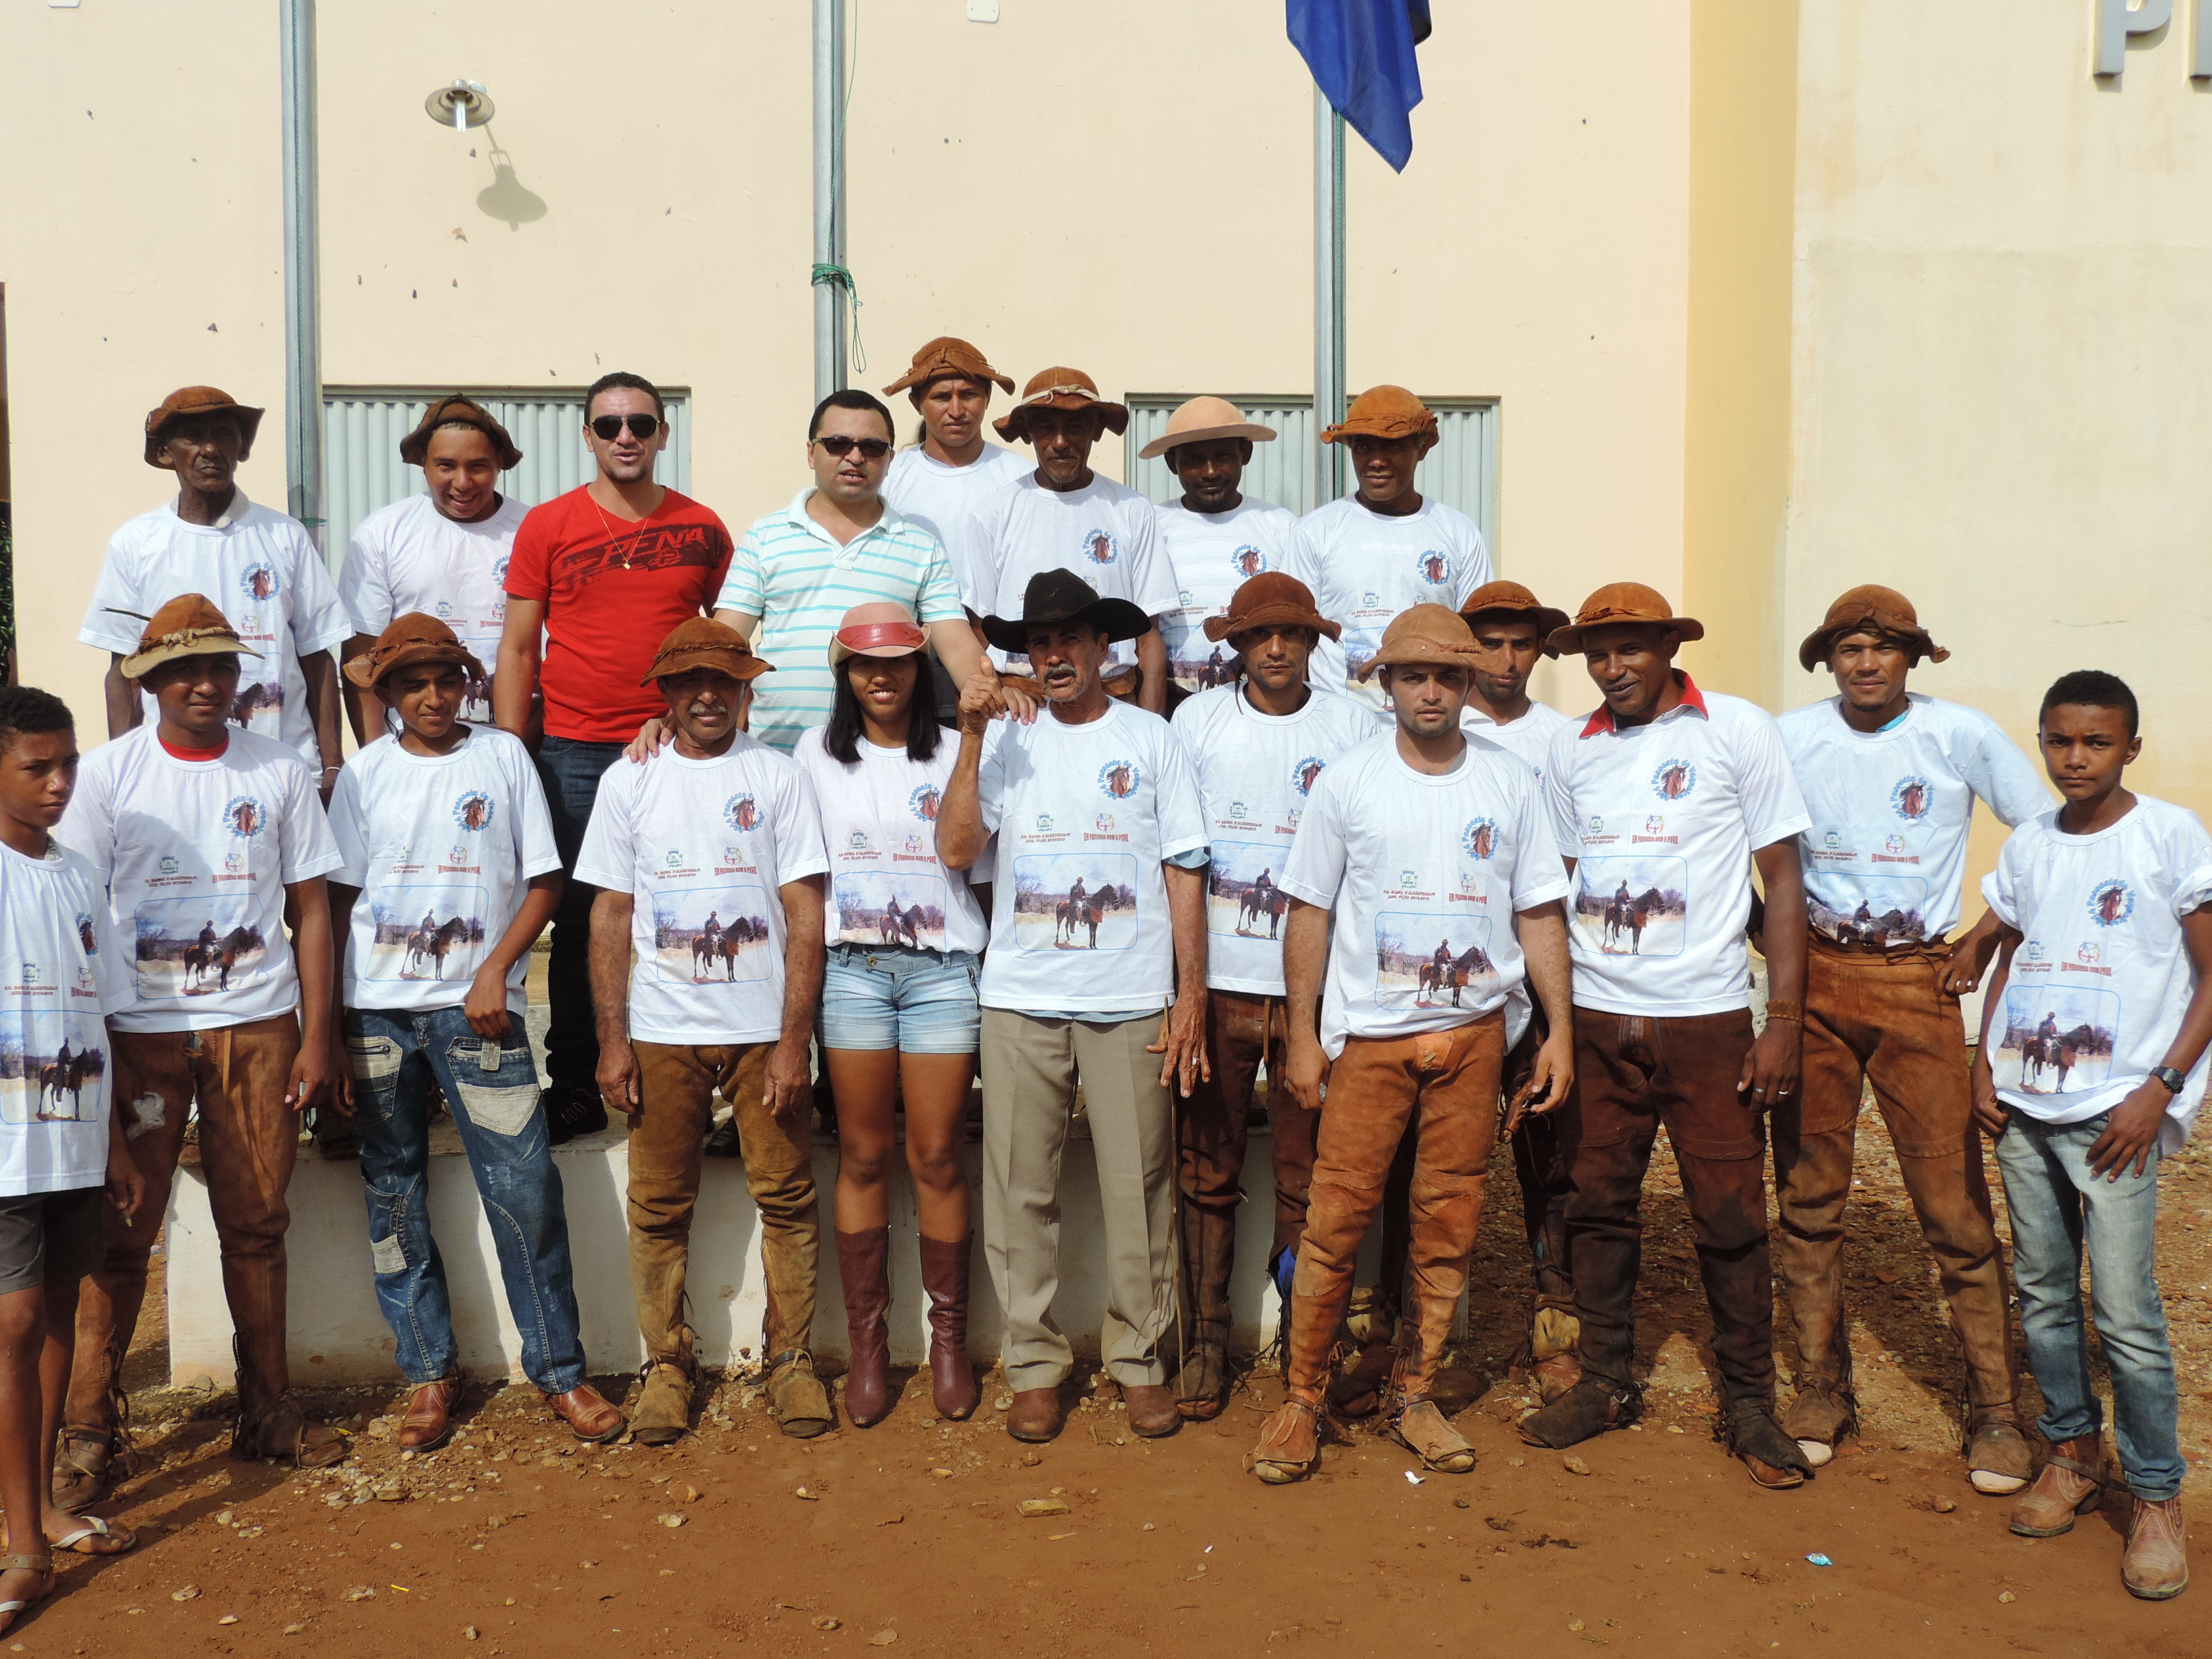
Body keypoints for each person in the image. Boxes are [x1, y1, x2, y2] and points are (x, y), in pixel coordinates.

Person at [1248, 605, 1574, 1483]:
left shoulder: (1509, 782)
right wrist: (1308, 1038)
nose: (1431, 691)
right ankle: (1304, 1397)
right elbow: (1308, 909)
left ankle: (1414, 1391)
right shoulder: (1349, 782)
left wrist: (1559, 1034)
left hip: (1472, 1039)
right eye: (1414, 675)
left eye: (1448, 676)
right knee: (1335, 1221)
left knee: (1449, 1219)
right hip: (1371, 1040)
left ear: (1470, 686)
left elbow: (1539, 908)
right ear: (1386, 683)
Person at [1517, 583, 1816, 1489]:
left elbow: (1785, 876)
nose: (1614, 670)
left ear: (1667, 649)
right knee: (1597, 1201)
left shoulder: (1738, 731)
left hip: (1708, 1019)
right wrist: (1555, 1024)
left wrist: (1786, 1020)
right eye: (1598, 656)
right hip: (1602, 1018)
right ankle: (1606, 1380)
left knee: (1729, 1213)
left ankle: (1750, 1401)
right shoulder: (1573, 753)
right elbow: (1557, 889)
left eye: (1632, 650)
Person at [55, 596, 347, 1499]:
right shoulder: (107, 777)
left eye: (221, 666)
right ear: (146, 681)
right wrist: (92, 1040)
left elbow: (310, 907)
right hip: (137, 1032)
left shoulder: (280, 770)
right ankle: (87, 1431)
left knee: (257, 1225)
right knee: (117, 1234)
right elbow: (73, 916)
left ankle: (269, 1412)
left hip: (257, 1028)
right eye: (184, 670)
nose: (206, 684)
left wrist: (317, 1034)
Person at [326, 615, 623, 1451]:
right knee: (392, 1193)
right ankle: (427, 1371)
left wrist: (497, 968)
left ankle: (560, 1370)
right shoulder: (366, 775)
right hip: (378, 1010)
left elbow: (543, 881)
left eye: (446, 680)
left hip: (479, 1008)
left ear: (467, 683)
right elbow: (342, 899)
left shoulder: (501, 758)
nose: (432, 697)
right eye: (411, 684)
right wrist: (332, 1021)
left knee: (525, 1190)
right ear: (383, 696)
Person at [1774, 586, 2049, 1486]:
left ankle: (1994, 1409)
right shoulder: (1792, 739)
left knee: (1954, 1205)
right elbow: (1734, 842)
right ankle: (1820, 1385)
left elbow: (2044, 834)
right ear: (1827, 660)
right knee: (1812, 1191)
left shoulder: (1956, 735)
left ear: (1913, 659)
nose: (1866, 663)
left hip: (1917, 979)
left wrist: (1985, 930)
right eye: (1849, 648)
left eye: (1885, 648)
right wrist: (1774, 955)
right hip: (1817, 977)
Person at [935, 569, 1209, 1443]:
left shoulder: (1153, 739)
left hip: (1131, 997)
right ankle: (1035, 1364)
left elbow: (1183, 870)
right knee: (1021, 1191)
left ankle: (1138, 1360)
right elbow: (954, 846)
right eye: (1040, 643)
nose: (1055, 656)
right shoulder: (1006, 738)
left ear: (1104, 649)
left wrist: (1190, 995)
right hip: (1021, 996)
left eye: (1072, 640)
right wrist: (972, 740)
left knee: (1140, 1188)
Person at [1973, 670, 2209, 1601]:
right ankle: (2071, 1451)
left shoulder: (2169, 838)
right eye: (2059, 741)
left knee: (2127, 1313)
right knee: (2041, 1292)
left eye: (2096, 743)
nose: (2075, 759)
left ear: (2130, 749)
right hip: (2028, 1106)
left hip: (2118, 1114)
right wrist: (1981, 1062)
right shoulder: (2031, 841)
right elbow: (2013, 952)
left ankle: (2155, 1495)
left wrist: (2162, 1088)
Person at [575, 619, 830, 1444]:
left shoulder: (778, 776)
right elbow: (610, 915)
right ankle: (668, 1367)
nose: (709, 696)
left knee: (788, 1196)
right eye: (690, 684)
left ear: (747, 688)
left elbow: (803, 913)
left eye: (725, 681)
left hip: (762, 1031)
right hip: (662, 1029)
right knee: (656, 1205)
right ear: (667, 694)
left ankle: (790, 1361)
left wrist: (795, 1042)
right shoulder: (629, 784)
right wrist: (611, 1040)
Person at [496, 372, 735, 1145]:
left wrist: (700, 730)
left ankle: (710, 1082)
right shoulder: (549, 525)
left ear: (664, 434)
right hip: (572, 747)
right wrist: (508, 754)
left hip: (677, 749)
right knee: (574, 919)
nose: (625, 437)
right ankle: (573, 1083)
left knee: (697, 905)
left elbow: (728, 645)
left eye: (640, 423)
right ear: (590, 436)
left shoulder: (703, 528)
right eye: (609, 425)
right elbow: (518, 646)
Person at [1166, 573, 1372, 1419]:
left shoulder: (1354, 725)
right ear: (1237, 646)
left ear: (1315, 644)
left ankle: (1304, 1339)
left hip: (1309, 990)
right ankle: (1206, 1338)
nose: (1277, 650)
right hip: (1218, 983)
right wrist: (1182, 990)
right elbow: (1178, 857)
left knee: (1307, 1173)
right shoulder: (1196, 721)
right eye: (1260, 637)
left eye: (1292, 635)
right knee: (1205, 1165)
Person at [792, 603, 990, 1427]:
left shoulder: (953, 749)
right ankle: (868, 1347)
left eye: (902, 662)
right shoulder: (812, 755)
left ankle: (949, 1343)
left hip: (944, 969)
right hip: (854, 971)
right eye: (867, 664)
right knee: (866, 1153)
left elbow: (968, 855)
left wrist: (976, 741)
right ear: (844, 672)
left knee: (938, 1153)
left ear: (921, 669)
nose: (884, 677)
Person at [0, 687, 146, 1633]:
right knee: (11, 1322)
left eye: (68, 766)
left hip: (75, 1138)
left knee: (56, 1315)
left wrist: (119, 1141)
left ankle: (46, 1506)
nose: (58, 784)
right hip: (4, 1149)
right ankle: (20, 1545)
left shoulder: (82, 873)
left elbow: (102, 1013)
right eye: (35, 768)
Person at [1450, 580, 1584, 1401]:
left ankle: (1556, 1315)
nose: (1506, 660)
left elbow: (1568, 865)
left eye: (1521, 644)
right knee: (1436, 1162)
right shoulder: (1430, 723)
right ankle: (1420, 1326)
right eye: (1490, 643)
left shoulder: (1563, 740)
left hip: (1534, 975)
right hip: (1449, 979)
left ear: (1539, 651)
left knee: (1548, 1158)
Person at [79, 386, 350, 790]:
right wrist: (125, 769)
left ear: (242, 448)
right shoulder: (136, 543)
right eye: (192, 437)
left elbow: (317, 656)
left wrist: (332, 765)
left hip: (287, 766)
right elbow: (123, 671)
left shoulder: (285, 536)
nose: (210, 449)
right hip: (174, 771)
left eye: (224, 434)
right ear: (167, 452)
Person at [712, 390, 984, 755]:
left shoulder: (922, 547)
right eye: (838, 443)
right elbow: (723, 645)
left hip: (878, 762)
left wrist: (992, 690)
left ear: (889, 459)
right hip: (778, 756)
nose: (855, 457)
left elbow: (957, 646)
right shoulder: (765, 536)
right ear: (811, 452)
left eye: (872, 447)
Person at [963, 371, 1177, 713]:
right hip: (1020, 707)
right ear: (1029, 433)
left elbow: (1149, 635)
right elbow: (977, 631)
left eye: (1075, 427)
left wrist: (1150, 726)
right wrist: (996, 702)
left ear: (1095, 430)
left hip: (1112, 702)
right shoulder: (992, 514)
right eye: (1046, 427)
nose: (1060, 442)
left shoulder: (1133, 510)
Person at [337, 396, 527, 740]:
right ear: (423, 464)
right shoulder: (383, 533)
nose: (463, 482)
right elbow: (362, 655)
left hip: (524, 741)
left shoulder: (534, 530)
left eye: (478, 466)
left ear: (499, 463)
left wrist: (520, 747)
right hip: (413, 749)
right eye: (446, 466)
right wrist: (375, 756)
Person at [1291, 386, 1492, 710]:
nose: (1377, 461)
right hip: (1340, 727)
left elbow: (1476, 640)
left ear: (1422, 448)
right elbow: (1296, 637)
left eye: (1394, 446)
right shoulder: (1316, 531)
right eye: (1363, 446)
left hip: (1431, 727)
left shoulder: (1459, 532)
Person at [1140, 398, 1301, 699]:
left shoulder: (1280, 526)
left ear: (1246, 453)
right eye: (1193, 460)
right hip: (1174, 704)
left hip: (1260, 705)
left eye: (1223, 456)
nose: (1210, 472)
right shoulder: (1152, 526)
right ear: (1171, 462)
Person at [880, 337, 1031, 613]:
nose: (956, 410)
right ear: (917, 403)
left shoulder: (1022, 479)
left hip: (999, 645)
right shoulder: (890, 478)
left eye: (968, 394)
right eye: (941, 397)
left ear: (988, 397)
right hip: (910, 647)